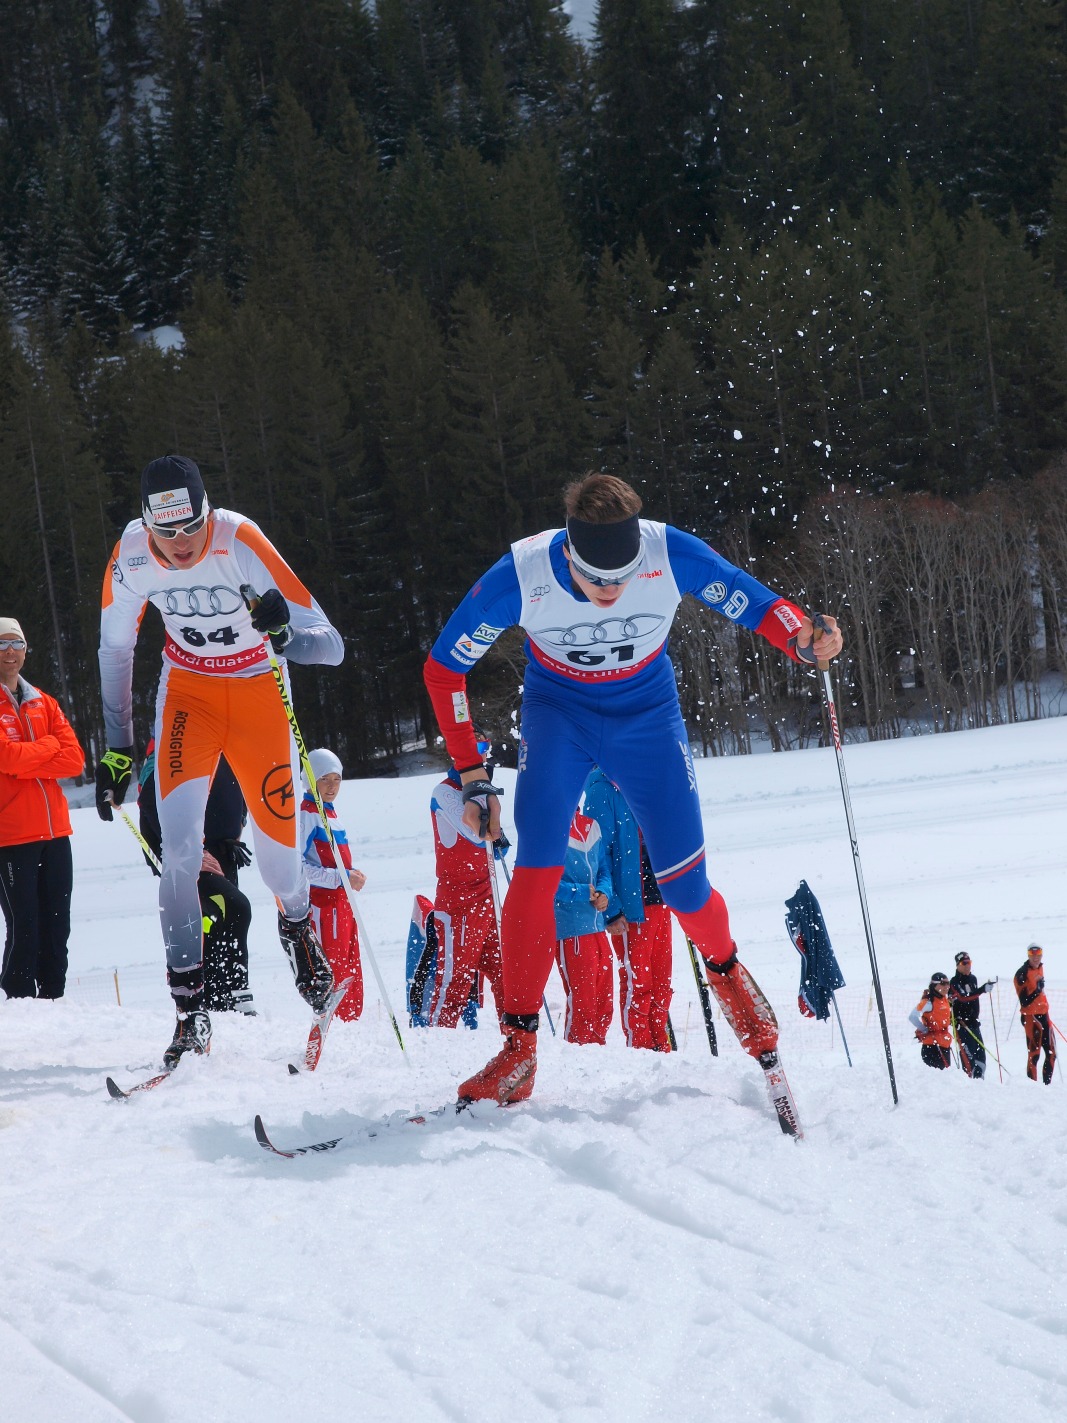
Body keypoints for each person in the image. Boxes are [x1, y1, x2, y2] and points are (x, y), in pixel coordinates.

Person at [421, 471, 843, 1105]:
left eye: (622, 579)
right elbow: (443, 668)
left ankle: (731, 979)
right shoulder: (524, 573)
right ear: (568, 551)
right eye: (597, 581)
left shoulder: (667, 552)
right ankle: (518, 1047)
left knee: (684, 886)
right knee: (537, 872)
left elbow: (754, 604)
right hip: (557, 716)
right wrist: (473, 774)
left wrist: (801, 638)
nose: (611, 593)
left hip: (646, 718)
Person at [96, 454, 344, 1068]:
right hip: (189, 696)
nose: (180, 546)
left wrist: (288, 637)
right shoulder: (129, 555)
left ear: (208, 514)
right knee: (180, 851)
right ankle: (190, 1013)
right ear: (145, 524)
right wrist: (120, 746)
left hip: (261, 694)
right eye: (165, 533)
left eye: (190, 530)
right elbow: (115, 647)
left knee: (281, 864)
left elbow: (331, 646)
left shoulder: (240, 539)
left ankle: (296, 927)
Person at [0, 618, 85, 998]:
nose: (10, 653)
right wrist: (49, 747)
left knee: (57, 923)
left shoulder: (42, 701)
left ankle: (54, 996)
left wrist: (30, 758)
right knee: (25, 924)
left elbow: (75, 761)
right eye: (1, 645)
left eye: (16, 644)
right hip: (12, 834)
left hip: (56, 832)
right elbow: (8, 757)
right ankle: (18, 1001)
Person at [137, 743, 255, 1014]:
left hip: (223, 847)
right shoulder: (175, 742)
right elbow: (153, 804)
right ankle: (231, 994)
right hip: (186, 853)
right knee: (233, 908)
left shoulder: (222, 740)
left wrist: (238, 821)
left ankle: (218, 1000)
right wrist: (190, 851)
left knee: (217, 920)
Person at [583, 767, 674, 1051]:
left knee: (662, 984)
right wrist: (612, 908)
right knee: (639, 985)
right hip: (632, 906)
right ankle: (643, 1052)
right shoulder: (601, 789)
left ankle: (662, 1047)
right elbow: (598, 853)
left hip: (661, 898)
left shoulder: (645, 778)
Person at [422, 743, 505, 1028]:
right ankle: (438, 1040)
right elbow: (476, 834)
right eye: (473, 746)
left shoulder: (483, 794)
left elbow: (499, 848)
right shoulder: (444, 791)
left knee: (506, 971)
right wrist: (485, 800)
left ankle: (515, 1038)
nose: (480, 753)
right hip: (459, 901)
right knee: (454, 980)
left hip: (487, 896)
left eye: (485, 747)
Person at [299, 748, 365, 1021]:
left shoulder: (329, 812)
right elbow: (298, 868)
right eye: (324, 779)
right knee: (333, 966)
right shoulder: (307, 813)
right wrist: (340, 878)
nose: (332, 786)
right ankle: (333, 1020)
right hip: (324, 904)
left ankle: (352, 1020)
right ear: (310, 780)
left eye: (336, 779)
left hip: (343, 901)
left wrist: (351, 875)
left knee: (352, 964)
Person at [553, 806, 614, 1045]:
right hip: (572, 930)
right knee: (584, 1004)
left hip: (597, 927)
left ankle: (597, 1055)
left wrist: (604, 893)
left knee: (604, 1003)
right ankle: (575, 1056)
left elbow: (604, 871)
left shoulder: (591, 825)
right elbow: (543, 881)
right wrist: (578, 892)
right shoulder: (550, 824)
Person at [948, 951, 996, 1079]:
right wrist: (982, 990)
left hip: (974, 1023)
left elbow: (973, 996)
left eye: (969, 962)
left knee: (981, 1057)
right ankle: (969, 1086)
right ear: (958, 965)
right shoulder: (954, 982)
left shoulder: (973, 978)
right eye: (964, 963)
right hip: (962, 1026)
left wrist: (983, 989)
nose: (967, 965)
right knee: (969, 1061)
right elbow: (963, 998)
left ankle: (980, 1083)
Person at [1014, 943, 1056, 1084]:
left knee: (1052, 1053)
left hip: (1044, 1014)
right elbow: (1024, 1001)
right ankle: (1032, 1088)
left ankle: (1047, 1086)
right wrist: (1037, 991)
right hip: (1031, 1016)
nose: (1036, 957)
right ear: (1028, 955)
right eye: (1033, 954)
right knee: (1034, 1055)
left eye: (1038, 954)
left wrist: (1040, 993)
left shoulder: (1040, 968)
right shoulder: (1022, 973)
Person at [909, 972, 953, 1069]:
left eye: (947, 983)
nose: (946, 986)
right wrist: (924, 1029)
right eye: (942, 983)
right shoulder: (928, 1002)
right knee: (936, 1079)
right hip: (932, 1046)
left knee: (946, 1078)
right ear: (934, 985)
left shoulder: (944, 999)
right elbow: (912, 1017)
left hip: (944, 1043)